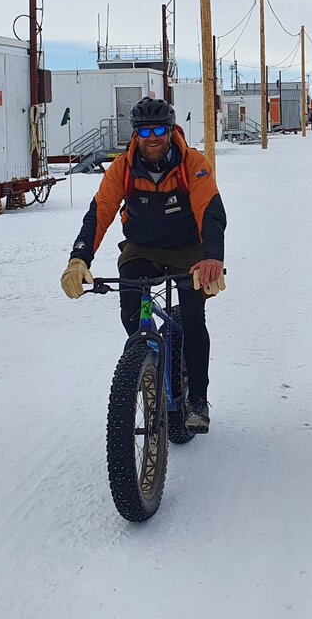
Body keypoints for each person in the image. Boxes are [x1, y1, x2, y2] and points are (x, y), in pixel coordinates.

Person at [60, 98, 226, 434]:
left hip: (187, 249)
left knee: (193, 319)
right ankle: (145, 366)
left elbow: (211, 212)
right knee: (130, 313)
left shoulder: (192, 163)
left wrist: (212, 257)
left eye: (159, 130)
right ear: (135, 134)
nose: (153, 138)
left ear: (170, 131)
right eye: (145, 131)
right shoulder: (123, 166)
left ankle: (197, 400)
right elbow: (100, 212)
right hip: (141, 248)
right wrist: (79, 259)